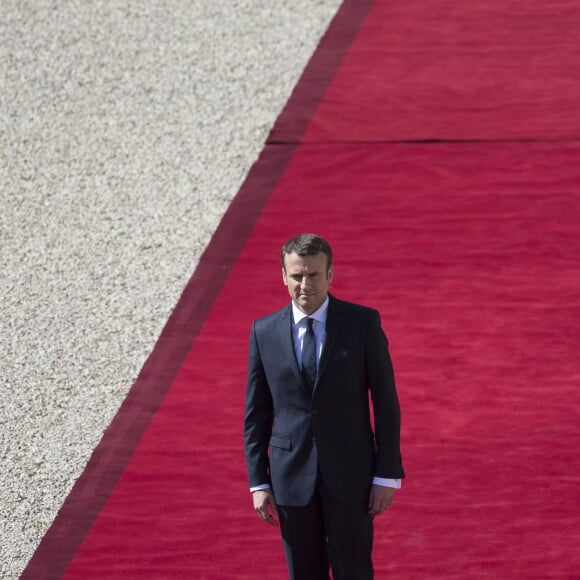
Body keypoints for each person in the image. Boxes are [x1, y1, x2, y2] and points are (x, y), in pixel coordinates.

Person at [243, 233, 404, 580]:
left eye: (314, 275)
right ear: (283, 276)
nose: (305, 284)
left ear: (330, 274)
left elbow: (386, 402)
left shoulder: (362, 324)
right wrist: (258, 481)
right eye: (297, 275)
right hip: (290, 478)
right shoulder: (263, 332)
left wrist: (386, 474)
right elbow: (257, 414)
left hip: (351, 476)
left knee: (354, 572)